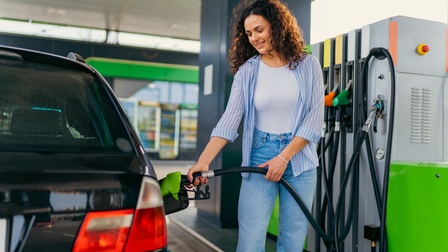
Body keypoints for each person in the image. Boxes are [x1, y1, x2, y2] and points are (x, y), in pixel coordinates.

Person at [187, 0, 324, 251]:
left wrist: (283, 158)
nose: (254, 38)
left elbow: (314, 121)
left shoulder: (308, 65)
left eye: (259, 30)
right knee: (250, 240)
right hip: (259, 155)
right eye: (249, 33)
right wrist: (203, 161)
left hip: (300, 159)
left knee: (293, 241)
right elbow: (229, 120)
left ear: (277, 26)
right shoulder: (247, 72)